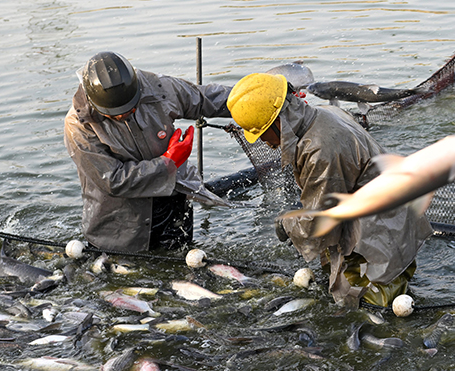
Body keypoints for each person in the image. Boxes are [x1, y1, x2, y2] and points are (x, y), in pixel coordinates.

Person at [226, 72, 432, 308]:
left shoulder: (320, 149)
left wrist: (288, 224)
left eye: (262, 134)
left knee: (369, 312)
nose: (263, 142)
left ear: (278, 123)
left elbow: (321, 223)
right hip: (390, 216)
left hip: (382, 235)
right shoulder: (323, 114)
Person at [64, 51, 232, 253]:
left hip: (172, 202)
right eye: (115, 115)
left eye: (130, 108)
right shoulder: (78, 126)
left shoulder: (159, 88)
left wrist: (253, 100)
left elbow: (204, 98)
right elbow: (113, 180)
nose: (124, 115)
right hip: (119, 226)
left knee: (180, 265)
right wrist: (168, 161)